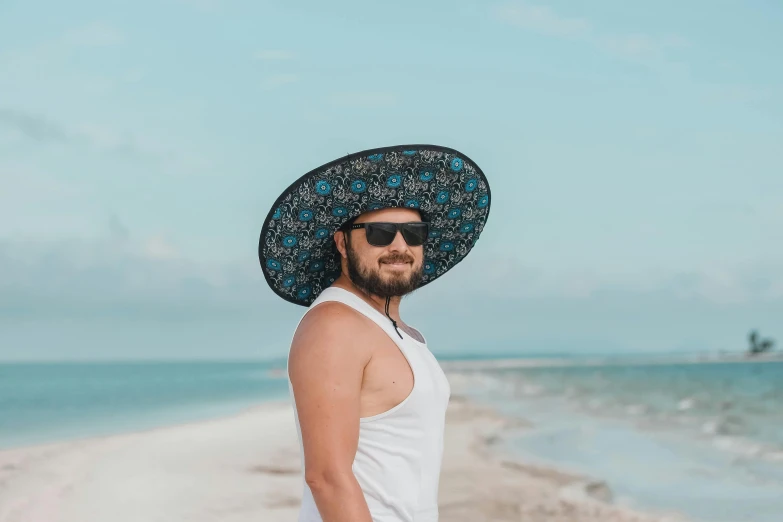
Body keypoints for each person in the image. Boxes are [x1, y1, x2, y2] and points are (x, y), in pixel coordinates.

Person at [258, 145, 491, 522]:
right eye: (381, 233)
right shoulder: (335, 325)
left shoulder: (400, 332)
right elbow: (327, 478)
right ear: (342, 242)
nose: (400, 246)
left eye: (414, 233)